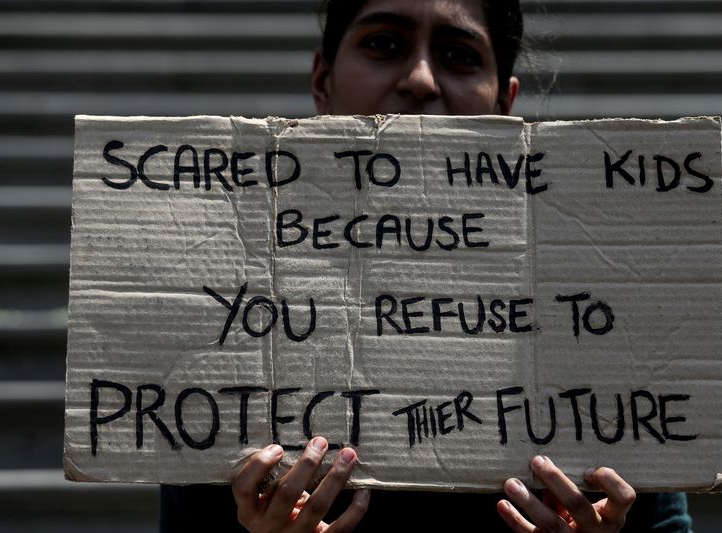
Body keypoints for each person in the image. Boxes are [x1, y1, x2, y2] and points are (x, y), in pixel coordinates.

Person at [160, 1, 694, 531]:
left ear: (504, 101)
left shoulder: (587, 291)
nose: (419, 80)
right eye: (384, 45)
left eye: (459, 55)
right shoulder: (235, 298)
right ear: (323, 80)